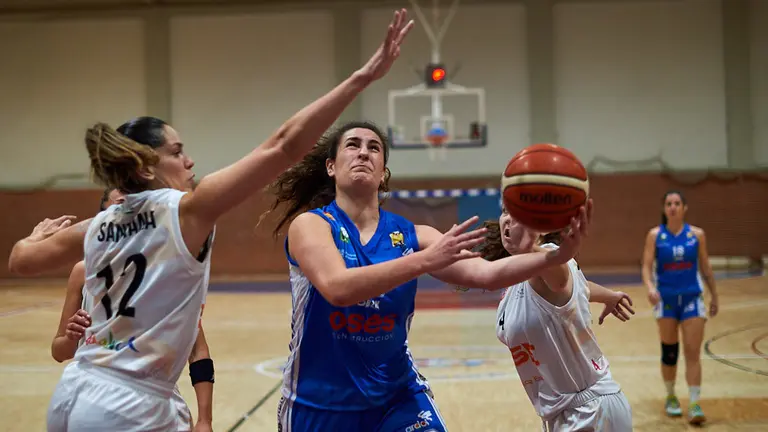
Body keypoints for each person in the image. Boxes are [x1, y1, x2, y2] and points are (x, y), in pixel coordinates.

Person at [7, 9, 416, 431]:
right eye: (177, 150)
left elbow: (21, 261)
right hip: (132, 405)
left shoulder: (98, 225)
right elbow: (284, 146)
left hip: (75, 391)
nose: (189, 160)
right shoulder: (186, 211)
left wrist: (32, 237)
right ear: (146, 166)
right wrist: (361, 78)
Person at [264, 120, 592, 432]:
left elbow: (487, 273)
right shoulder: (311, 226)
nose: (364, 152)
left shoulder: (414, 236)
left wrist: (553, 254)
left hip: (399, 399)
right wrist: (423, 261)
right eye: (353, 145)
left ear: (383, 174)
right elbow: (337, 288)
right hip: (318, 403)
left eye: (374, 148)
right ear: (331, 167)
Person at [50, 188, 213, 432]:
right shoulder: (82, 272)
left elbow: (198, 350)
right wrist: (71, 337)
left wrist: (204, 419)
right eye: (116, 208)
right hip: (96, 391)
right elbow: (59, 351)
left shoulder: (160, 272)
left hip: (152, 392)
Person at [478, 207, 634, 431]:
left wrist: (529, 249)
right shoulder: (516, 280)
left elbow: (560, 282)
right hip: (562, 416)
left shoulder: (550, 257)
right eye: (505, 211)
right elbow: (578, 287)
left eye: (519, 213)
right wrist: (608, 296)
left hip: (593, 412)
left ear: (541, 229)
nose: (508, 219)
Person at [641, 190, 718, 425]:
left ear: (684, 208)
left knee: (693, 352)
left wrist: (714, 295)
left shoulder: (697, 235)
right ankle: (671, 396)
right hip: (666, 300)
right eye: (668, 203)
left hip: (692, 299)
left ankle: (694, 403)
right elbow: (646, 266)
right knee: (670, 352)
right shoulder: (655, 235)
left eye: (676, 203)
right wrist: (650, 287)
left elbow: (705, 266)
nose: (672, 207)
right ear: (664, 209)